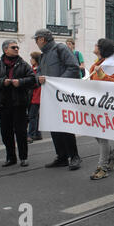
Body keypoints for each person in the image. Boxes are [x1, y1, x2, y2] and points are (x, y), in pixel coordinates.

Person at [34, 28, 82, 170]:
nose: (36, 43)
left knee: (65, 126)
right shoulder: (43, 55)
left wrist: (58, 83)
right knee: (54, 126)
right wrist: (38, 79)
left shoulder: (60, 48)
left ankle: (74, 156)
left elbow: (73, 67)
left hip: (62, 96)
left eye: (36, 40)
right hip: (49, 97)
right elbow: (38, 74)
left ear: (42, 39)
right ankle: (61, 156)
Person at [0, 40, 35, 167]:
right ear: (5, 50)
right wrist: (3, 82)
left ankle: (23, 157)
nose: (16, 49)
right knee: (6, 132)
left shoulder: (23, 64)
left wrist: (20, 82)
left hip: (19, 103)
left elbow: (32, 80)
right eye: (13, 47)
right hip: (3, 103)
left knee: (21, 132)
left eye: (17, 47)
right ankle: (10, 157)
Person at [88, 38, 114, 180]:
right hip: (95, 104)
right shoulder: (95, 64)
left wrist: (101, 74)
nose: (94, 46)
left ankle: (102, 167)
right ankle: (112, 156)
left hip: (105, 106)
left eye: (97, 45)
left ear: (102, 49)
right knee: (97, 134)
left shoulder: (110, 66)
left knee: (102, 136)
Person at [27, 52, 43, 144]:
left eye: (32, 58)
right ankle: (37, 133)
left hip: (37, 95)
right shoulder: (32, 69)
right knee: (35, 115)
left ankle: (31, 134)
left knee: (32, 115)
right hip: (31, 94)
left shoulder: (39, 70)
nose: (31, 60)